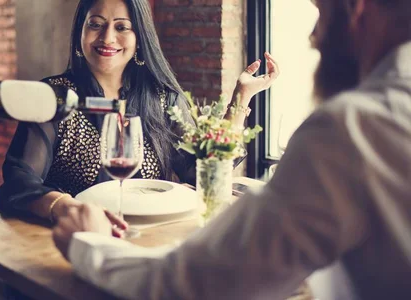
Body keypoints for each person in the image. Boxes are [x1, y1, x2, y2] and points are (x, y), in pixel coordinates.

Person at [52, 0, 411, 299]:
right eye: (95, 24)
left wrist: (90, 246)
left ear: (357, 9)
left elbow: (198, 279)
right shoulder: (56, 95)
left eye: (321, 12)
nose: (312, 36)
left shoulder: (352, 127)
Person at [0, 0, 279, 228]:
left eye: (122, 27)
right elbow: (18, 182)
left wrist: (241, 98)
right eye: (95, 24)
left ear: (139, 37)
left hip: (152, 243)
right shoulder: (55, 96)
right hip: (73, 243)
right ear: (80, 32)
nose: (107, 37)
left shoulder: (164, 98)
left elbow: (204, 173)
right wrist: (64, 206)